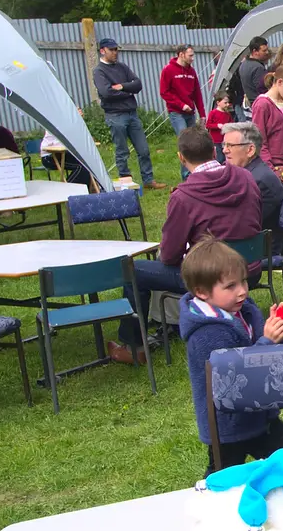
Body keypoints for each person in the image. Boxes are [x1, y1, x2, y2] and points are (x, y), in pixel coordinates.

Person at [109, 125, 262, 364]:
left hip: (213, 278)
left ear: (181, 158)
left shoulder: (184, 196)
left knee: (135, 270)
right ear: (214, 151)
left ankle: (133, 346)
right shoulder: (245, 176)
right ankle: (166, 322)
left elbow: (169, 256)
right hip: (250, 269)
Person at [181, 239, 283, 474]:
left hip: (260, 415)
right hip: (227, 425)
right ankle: (210, 505)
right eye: (230, 286)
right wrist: (266, 341)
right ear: (201, 292)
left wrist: (277, 331)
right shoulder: (207, 333)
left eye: (243, 281)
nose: (242, 290)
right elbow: (237, 374)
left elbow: (267, 356)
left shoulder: (244, 310)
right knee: (222, 477)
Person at [93, 38, 164, 189]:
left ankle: (148, 180)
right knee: (122, 151)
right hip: (115, 115)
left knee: (143, 149)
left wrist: (122, 87)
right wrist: (128, 91)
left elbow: (137, 84)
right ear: (102, 50)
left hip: (132, 114)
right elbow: (106, 93)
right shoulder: (99, 71)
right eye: (111, 50)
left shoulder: (122, 67)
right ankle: (126, 183)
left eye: (116, 49)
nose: (115, 52)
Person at [223, 123, 283, 235]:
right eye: (224, 145)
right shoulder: (250, 172)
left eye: (230, 145)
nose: (224, 150)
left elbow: (241, 224)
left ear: (250, 150)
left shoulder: (258, 181)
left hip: (257, 247)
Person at [252, 64, 283, 178]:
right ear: (279, 82)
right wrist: (270, 168)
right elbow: (259, 140)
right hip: (272, 165)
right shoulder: (262, 105)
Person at [159, 44, 206, 139]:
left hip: (190, 113)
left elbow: (197, 94)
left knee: (193, 140)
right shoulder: (168, 70)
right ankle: (183, 154)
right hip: (176, 112)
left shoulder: (192, 71)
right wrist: (181, 105)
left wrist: (202, 115)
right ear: (181, 54)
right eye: (190, 56)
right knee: (184, 138)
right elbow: (164, 92)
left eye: (193, 55)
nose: (192, 58)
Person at [236, 36, 272, 122]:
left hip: (249, 107)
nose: (267, 52)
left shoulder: (243, 64)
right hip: (259, 107)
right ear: (254, 51)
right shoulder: (258, 68)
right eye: (264, 50)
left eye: (267, 49)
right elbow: (263, 90)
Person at [206, 91, 235, 161]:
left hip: (225, 140)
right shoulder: (213, 113)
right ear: (218, 103)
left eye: (228, 102)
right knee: (219, 158)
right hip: (216, 140)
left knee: (226, 157)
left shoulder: (227, 114)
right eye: (225, 103)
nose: (227, 104)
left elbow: (232, 123)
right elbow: (208, 125)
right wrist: (217, 126)